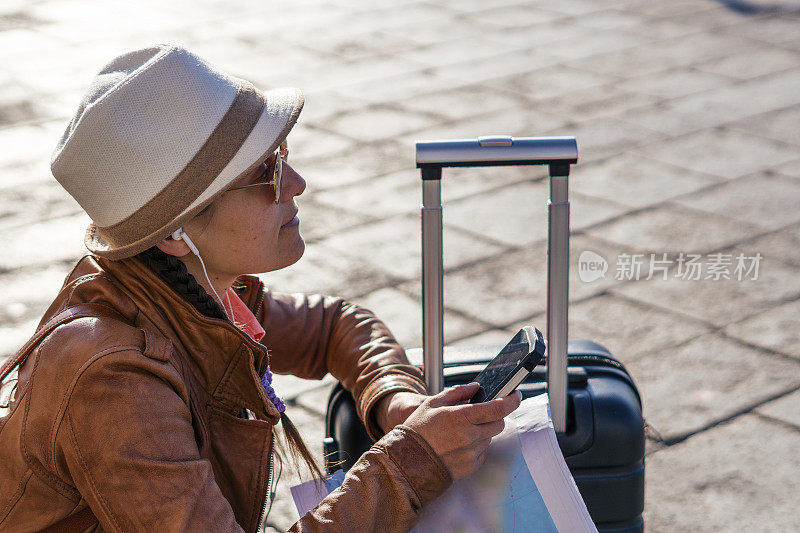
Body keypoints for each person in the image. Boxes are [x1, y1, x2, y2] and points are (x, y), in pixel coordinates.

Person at [0, 44, 521, 532]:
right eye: (265, 173)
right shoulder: (113, 381)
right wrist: (410, 465)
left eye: (283, 153)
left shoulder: (195, 291)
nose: (296, 182)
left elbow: (334, 326)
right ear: (176, 235)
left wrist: (396, 401)